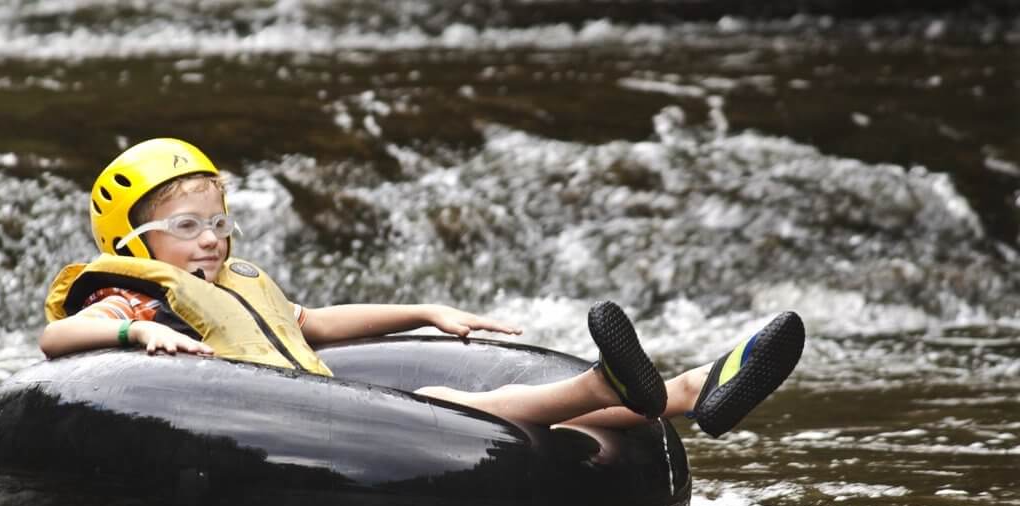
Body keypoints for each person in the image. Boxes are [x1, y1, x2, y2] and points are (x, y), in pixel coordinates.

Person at [40, 138, 804, 438]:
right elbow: (58, 338)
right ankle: (617, 384)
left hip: (315, 403)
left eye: (216, 221)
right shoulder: (142, 298)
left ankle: (685, 389)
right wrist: (135, 332)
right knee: (451, 409)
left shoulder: (237, 280)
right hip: (268, 429)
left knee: (454, 400)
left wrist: (425, 312)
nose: (209, 238)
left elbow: (310, 322)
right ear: (132, 245)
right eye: (187, 227)